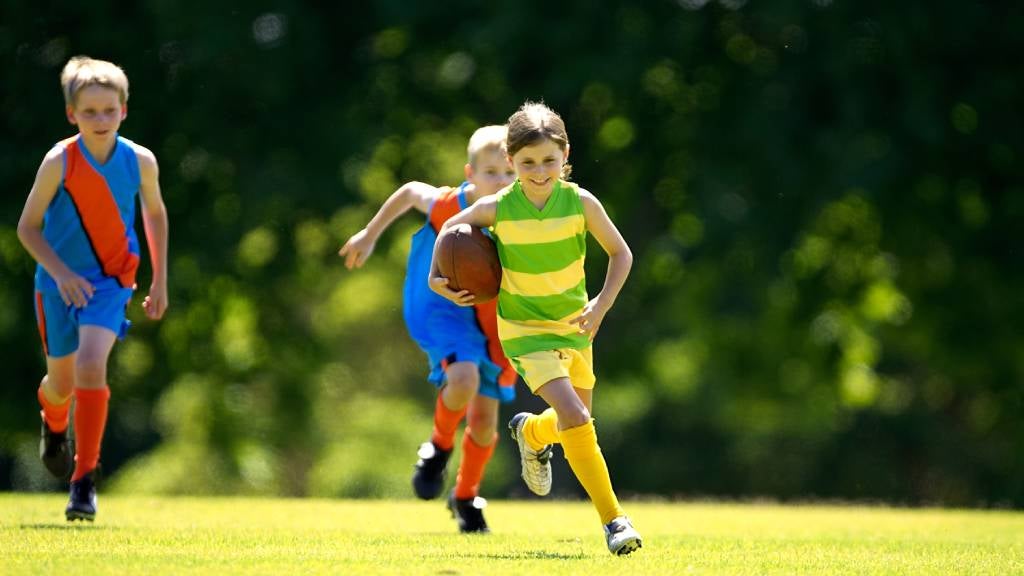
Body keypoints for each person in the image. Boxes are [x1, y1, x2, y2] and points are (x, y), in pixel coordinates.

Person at [428, 102, 641, 555]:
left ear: (566, 154)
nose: (539, 171)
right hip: (525, 331)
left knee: (569, 426)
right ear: (511, 162)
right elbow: (449, 227)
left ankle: (531, 434)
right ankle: (615, 521)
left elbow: (621, 254)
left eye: (549, 160)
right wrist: (436, 278)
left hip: (577, 326)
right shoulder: (499, 208)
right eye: (527, 163)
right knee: (580, 420)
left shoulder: (581, 202)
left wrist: (601, 306)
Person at [339, 125, 517, 532]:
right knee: (463, 378)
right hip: (446, 313)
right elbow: (408, 192)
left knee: (486, 423)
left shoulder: (523, 213)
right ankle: (438, 447)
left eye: (509, 173)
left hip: (496, 324)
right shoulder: (449, 205)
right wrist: (370, 233)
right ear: (469, 173)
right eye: (491, 172)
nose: (502, 181)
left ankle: (466, 496)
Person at [17, 56, 169, 521]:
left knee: (90, 364)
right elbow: (28, 228)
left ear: (124, 109)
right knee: (61, 384)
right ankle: (54, 421)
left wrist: (160, 278)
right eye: (89, 112)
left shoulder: (140, 160)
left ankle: (83, 481)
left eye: (109, 110)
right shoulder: (58, 161)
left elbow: (155, 214)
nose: (100, 120)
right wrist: (62, 274)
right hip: (58, 284)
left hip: (111, 282)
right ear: (71, 114)